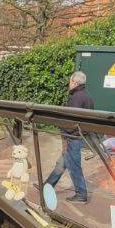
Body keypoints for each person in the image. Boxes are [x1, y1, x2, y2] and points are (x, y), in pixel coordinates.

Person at [43, 71, 93, 204]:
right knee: (62, 163)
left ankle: (81, 194)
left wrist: (64, 131)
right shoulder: (85, 96)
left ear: (75, 82)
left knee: (74, 166)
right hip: (75, 136)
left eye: (70, 81)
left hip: (72, 137)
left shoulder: (76, 97)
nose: (68, 84)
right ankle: (47, 185)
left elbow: (71, 119)